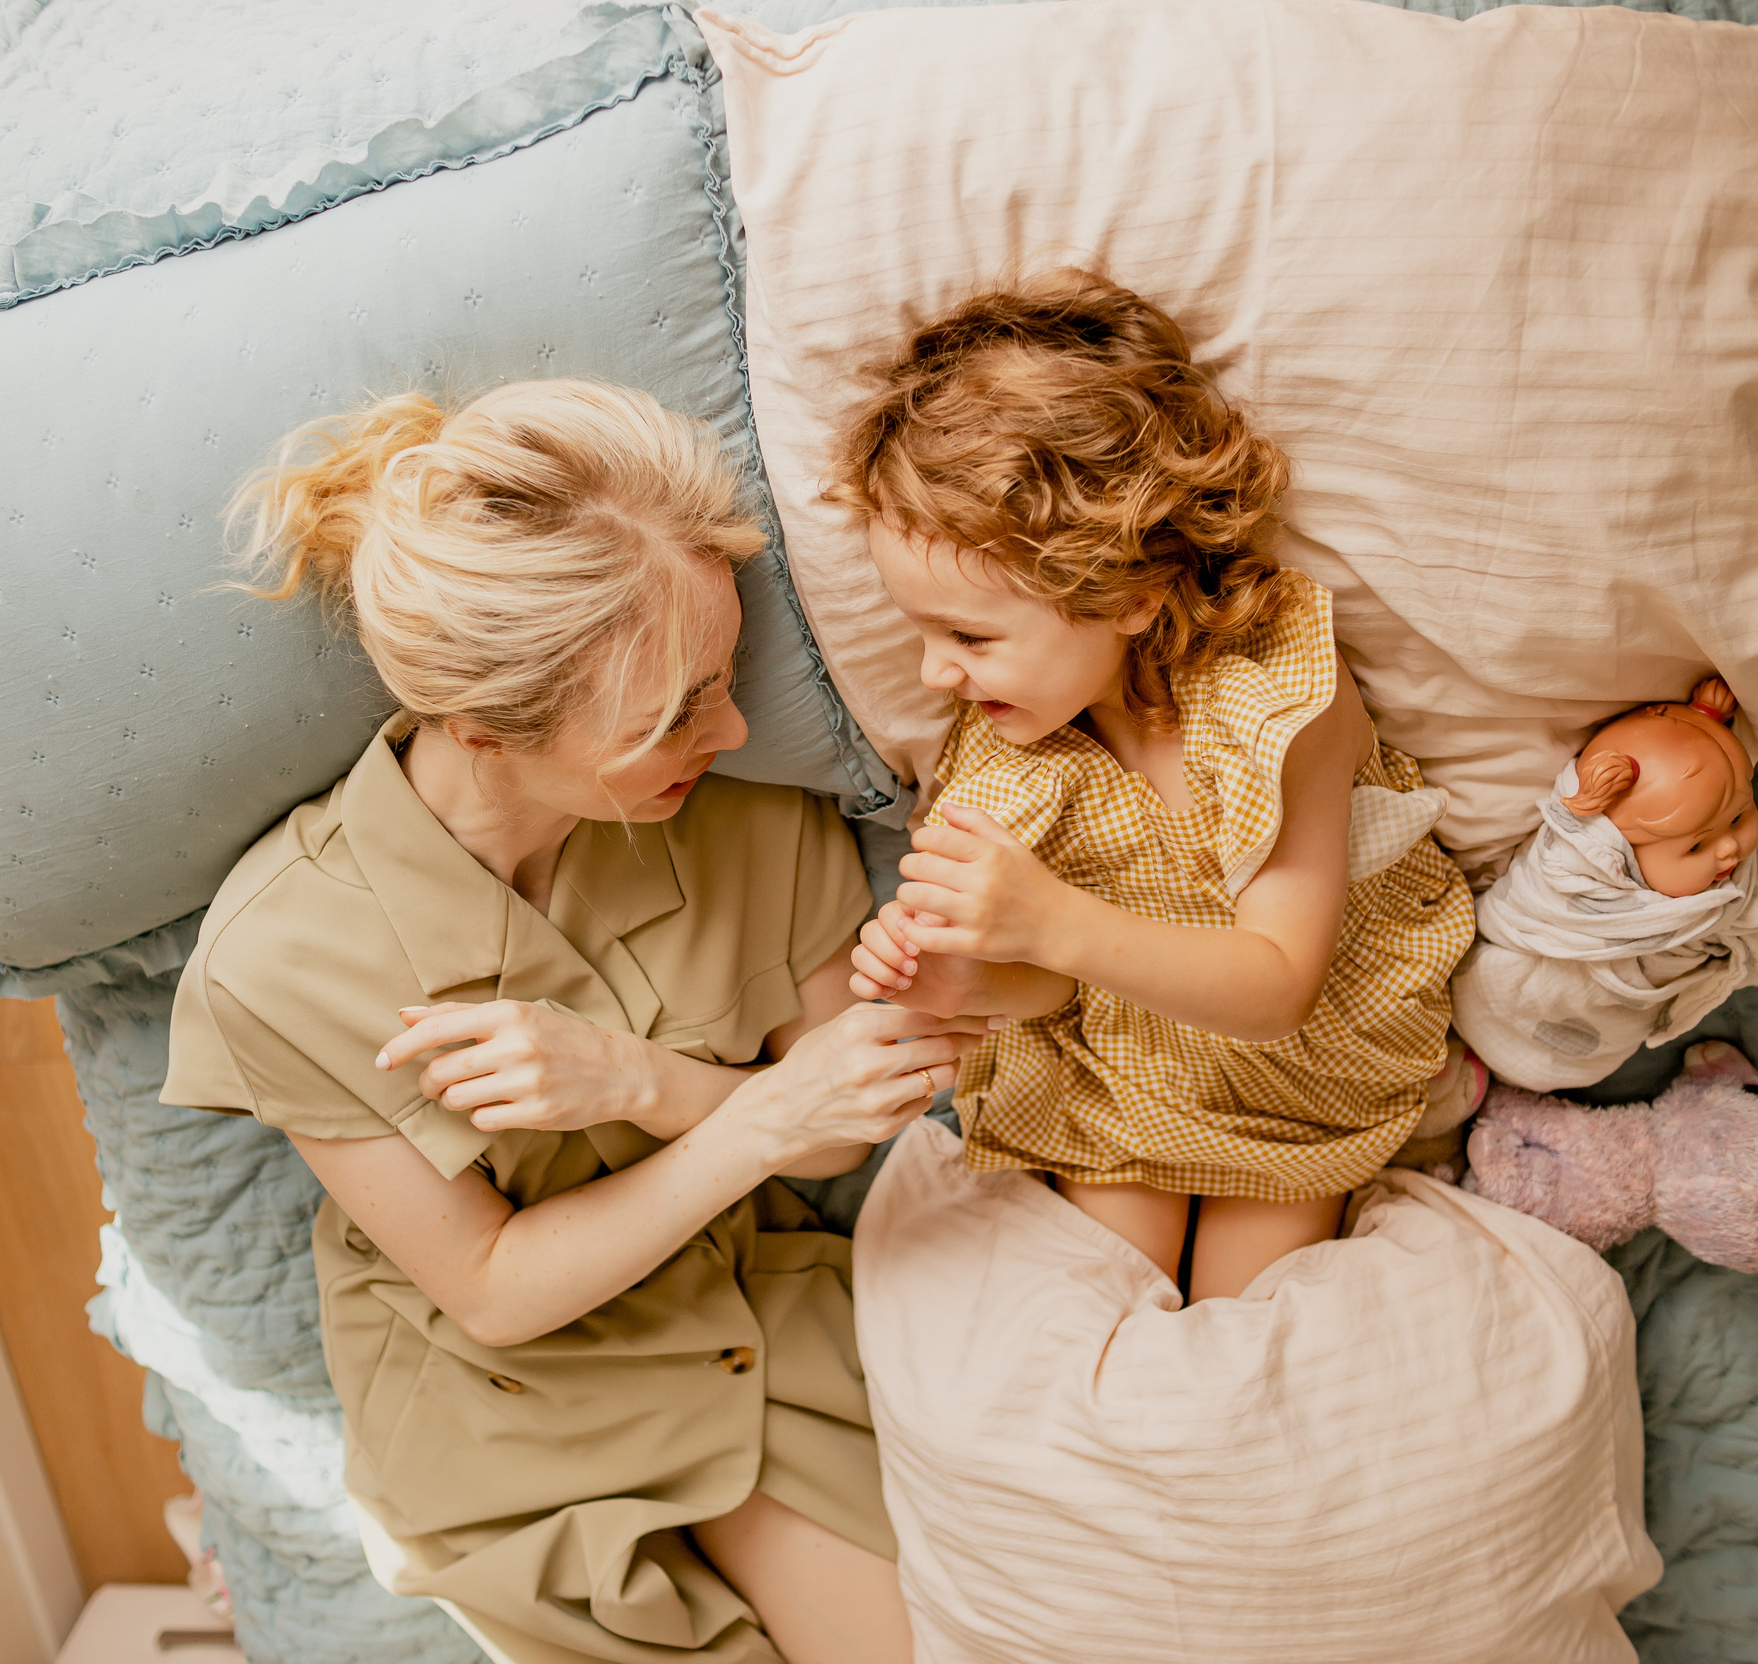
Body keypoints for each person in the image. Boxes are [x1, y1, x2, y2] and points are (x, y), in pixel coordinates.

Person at [161, 379, 979, 1664]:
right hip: (507, 1421)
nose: (736, 727)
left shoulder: (753, 815)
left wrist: (645, 1085)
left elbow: (829, 1132)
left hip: (755, 1336)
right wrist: (755, 1112)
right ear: (485, 731)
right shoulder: (279, 957)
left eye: (720, 675)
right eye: (672, 715)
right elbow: (491, 1290)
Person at [839, 269, 1475, 1301]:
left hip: (1302, 1075)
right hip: (1122, 1069)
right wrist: (956, 977)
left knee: (1244, 1320)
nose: (933, 674)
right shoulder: (1009, 754)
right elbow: (1047, 990)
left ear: (1128, 594)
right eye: (919, 631)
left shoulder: (1277, 696)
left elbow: (1275, 986)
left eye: (968, 636)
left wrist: (1047, 923)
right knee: (1101, 1297)